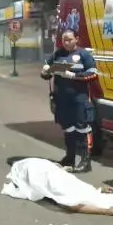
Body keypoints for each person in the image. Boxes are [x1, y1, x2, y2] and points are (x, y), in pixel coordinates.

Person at [40, 29, 99, 173]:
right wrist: (45, 71)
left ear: (77, 39)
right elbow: (47, 74)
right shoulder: (58, 54)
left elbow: (93, 74)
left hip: (79, 99)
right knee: (67, 128)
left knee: (82, 129)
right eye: (64, 40)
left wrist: (73, 75)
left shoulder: (84, 55)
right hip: (62, 99)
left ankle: (85, 162)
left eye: (69, 40)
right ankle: (70, 157)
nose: (66, 43)